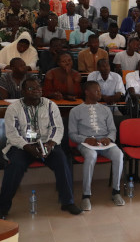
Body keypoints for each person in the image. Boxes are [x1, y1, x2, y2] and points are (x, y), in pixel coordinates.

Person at [0, 77, 82, 218]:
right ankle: (3, 207)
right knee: (15, 165)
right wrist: (27, 147)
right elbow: (12, 133)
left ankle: (68, 202)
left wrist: (50, 145)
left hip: (46, 143)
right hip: (21, 146)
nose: (37, 91)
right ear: (23, 91)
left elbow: (57, 128)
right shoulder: (13, 108)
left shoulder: (50, 105)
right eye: (32, 88)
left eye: (38, 88)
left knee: (62, 159)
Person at [69, 81, 125, 210]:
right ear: (87, 92)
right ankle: (86, 196)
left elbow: (112, 130)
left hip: (105, 142)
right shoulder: (75, 111)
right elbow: (72, 134)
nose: (100, 93)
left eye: (100, 90)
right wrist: (86, 139)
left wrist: (109, 138)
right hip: (86, 144)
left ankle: (116, 192)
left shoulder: (105, 109)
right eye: (97, 91)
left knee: (119, 154)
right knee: (91, 156)